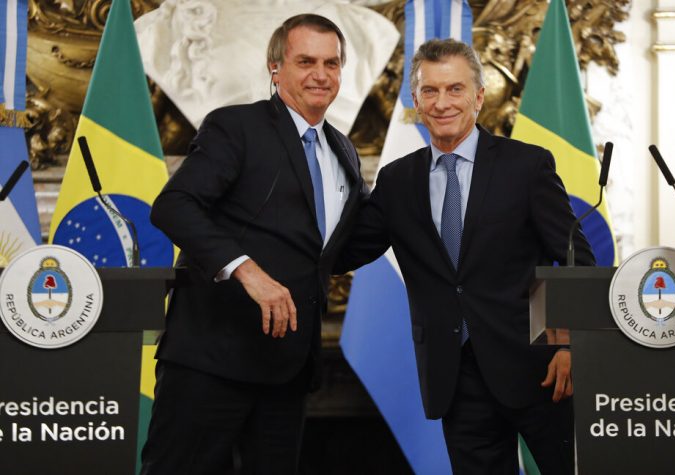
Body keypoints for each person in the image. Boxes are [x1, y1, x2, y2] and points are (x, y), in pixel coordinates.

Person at [334, 38, 595, 474]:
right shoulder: (397, 180)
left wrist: (569, 343)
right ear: (415, 100)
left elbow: (575, 259)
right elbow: (347, 251)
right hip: (455, 377)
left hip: (541, 371)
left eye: (454, 89)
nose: (442, 102)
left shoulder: (526, 166)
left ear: (478, 96)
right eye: (430, 91)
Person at [140, 14, 366, 475]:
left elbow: (334, 250)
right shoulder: (235, 126)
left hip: (288, 369)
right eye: (306, 61)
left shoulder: (343, 150)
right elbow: (174, 205)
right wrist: (247, 270)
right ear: (275, 67)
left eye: (332, 63)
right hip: (210, 362)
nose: (321, 74)